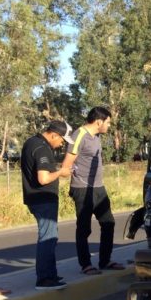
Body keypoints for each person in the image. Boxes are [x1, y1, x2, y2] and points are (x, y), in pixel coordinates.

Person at [62, 107, 124, 275]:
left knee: (108, 223)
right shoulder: (79, 135)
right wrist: (74, 178)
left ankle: (105, 260)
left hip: (98, 188)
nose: (109, 126)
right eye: (108, 122)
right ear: (98, 122)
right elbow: (66, 165)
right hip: (82, 189)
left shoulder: (96, 136)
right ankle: (86, 264)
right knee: (84, 228)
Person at [21, 121, 73, 290]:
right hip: (43, 199)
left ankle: (50, 274)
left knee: (50, 236)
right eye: (62, 140)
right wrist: (61, 172)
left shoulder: (31, 142)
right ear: (54, 134)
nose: (62, 144)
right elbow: (43, 178)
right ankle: (44, 279)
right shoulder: (42, 148)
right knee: (48, 237)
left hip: (35, 197)